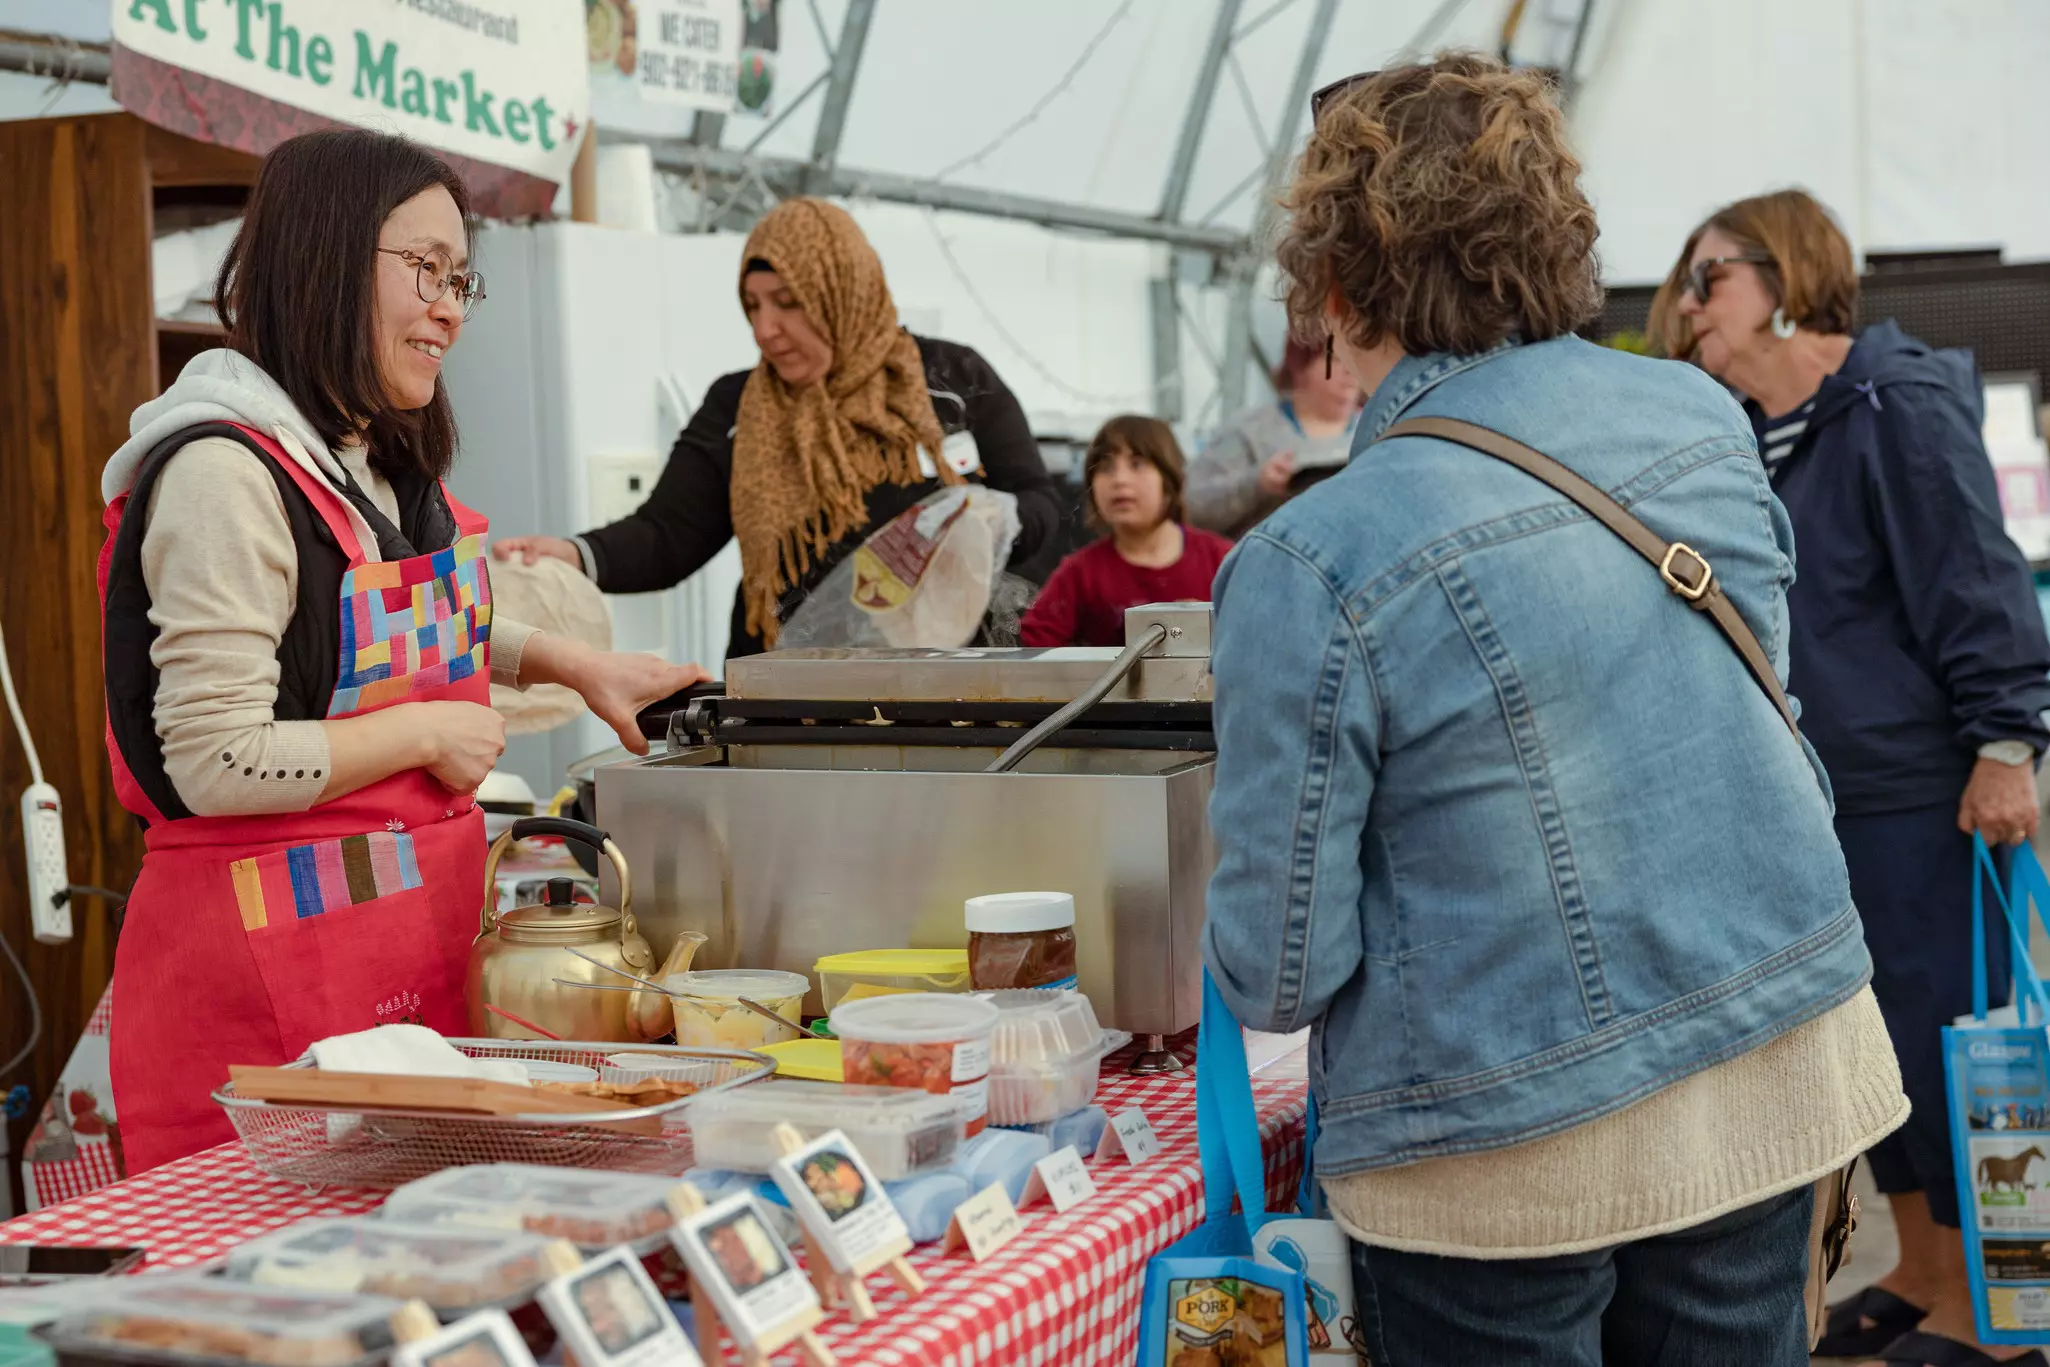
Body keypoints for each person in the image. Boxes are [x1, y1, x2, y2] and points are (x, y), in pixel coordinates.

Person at [1201, 55, 1908, 1366]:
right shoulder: (1699, 416)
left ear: (1338, 290)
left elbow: (1275, 971)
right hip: (1764, 1055)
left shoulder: (1310, 560)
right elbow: (1761, 713)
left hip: (1495, 1150)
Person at [97, 129, 706, 1173]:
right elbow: (212, 755)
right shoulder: (221, 473)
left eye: (460, 277)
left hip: (398, 968)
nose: (450, 307)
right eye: (424, 267)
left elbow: (373, 633)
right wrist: (425, 729)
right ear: (326, 256)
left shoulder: (369, 461)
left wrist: (572, 664)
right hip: (261, 1009)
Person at [1653, 189, 2050, 1367]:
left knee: (1948, 1044)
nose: (1685, 306)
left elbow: (1975, 582)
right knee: (1872, 1047)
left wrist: (2005, 745)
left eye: (1704, 278)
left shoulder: (1894, 404)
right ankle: (1923, 1269)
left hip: (1920, 789)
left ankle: (1996, 1310)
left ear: (1781, 278)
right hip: (1816, 796)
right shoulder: (1747, 432)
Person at [494, 198, 1060, 656]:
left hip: (944, 681)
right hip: (790, 690)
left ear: (842, 292)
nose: (766, 329)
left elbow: (1041, 502)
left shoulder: (953, 379)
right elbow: (666, 536)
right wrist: (572, 554)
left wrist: (996, 518)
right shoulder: (738, 406)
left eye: (789, 302)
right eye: (753, 305)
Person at [1018, 415, 1232, 648]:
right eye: (1105, 467)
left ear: (1170, 479)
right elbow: (1031, 650)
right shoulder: (1080, 574)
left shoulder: (1222, 561)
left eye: (1137, 464)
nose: (1120, 479)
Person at [1184, 336, 1361, 536]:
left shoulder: (1381, 431)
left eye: (1356, 360)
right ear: (1300, 366)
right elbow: (1193, 507)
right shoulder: (1249, 429)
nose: (1350, 373)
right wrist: (1258, 484)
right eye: (1336, 360)